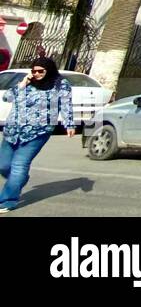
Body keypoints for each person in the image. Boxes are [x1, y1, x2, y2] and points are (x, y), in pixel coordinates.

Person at [0, 57, 76, 211]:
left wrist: (69, 124)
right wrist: (22, 83)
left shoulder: (60, 84)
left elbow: (66, 104)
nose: (37, 74)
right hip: (13, 129)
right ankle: (19, 180)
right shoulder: (26, 83)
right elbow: (6, 97)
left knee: (19, 166)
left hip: (38, 131)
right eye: (34, 71)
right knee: (3, 165)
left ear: (49, 70)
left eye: (40, 71)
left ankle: (7, 201)